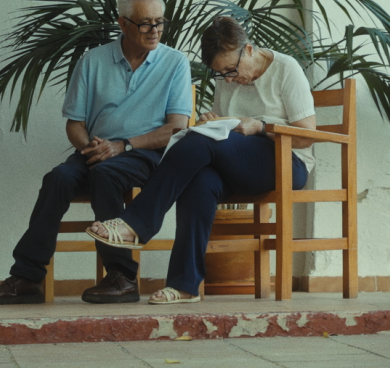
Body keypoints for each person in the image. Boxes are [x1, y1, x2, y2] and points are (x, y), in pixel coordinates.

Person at [0, 0, 193, 305]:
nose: (154, 30)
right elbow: (75, 124)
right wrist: (91, 148)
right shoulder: (93, 61)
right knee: (58, 178)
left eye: (159, 22)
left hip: (145, 152)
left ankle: (122, 277)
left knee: (107, 174)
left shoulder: (175, 63)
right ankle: (27, 278)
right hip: (98, 150)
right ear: (123, 23)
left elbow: (177, 127)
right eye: (145, 23)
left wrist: (123, 146)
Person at [86, 16, 315, 304]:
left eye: (231, 70)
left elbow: (307, 135)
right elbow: (222, 126)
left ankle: (137, 224)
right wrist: (211, 120)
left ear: (248, 49)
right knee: (201, 180)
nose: (228, 79)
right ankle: (184, 285)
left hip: (285, 162)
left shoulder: (285, 68)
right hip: (238, 162)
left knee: (199, 140)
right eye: (220, 74)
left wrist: (261, 126)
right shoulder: (226, 76)